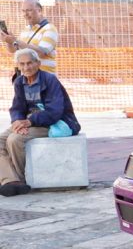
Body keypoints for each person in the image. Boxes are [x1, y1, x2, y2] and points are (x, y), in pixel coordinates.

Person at [0, 49, 81, 197]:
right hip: (29, 122)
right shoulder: (19, 82)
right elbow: (17, 107)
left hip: (54, 123)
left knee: (15, 139)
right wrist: (17, 121)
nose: (26, 67)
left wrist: (29, 122)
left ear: (38, 63)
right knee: (1, 140)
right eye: (22, 64)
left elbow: (55, 111)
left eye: (30, 63)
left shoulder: (50, 80)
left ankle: (20, 180)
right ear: (18, 65)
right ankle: (10, 181)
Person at [1, 0, 59, 74]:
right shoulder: (26, 29)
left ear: (39, 11)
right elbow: (14, 50)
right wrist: (9, 41)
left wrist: (15, 41)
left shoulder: (50, 29)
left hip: (44, 78)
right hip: (27, 78)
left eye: (29, 10)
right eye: (23, 11)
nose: (25, 14)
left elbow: (40, 53)